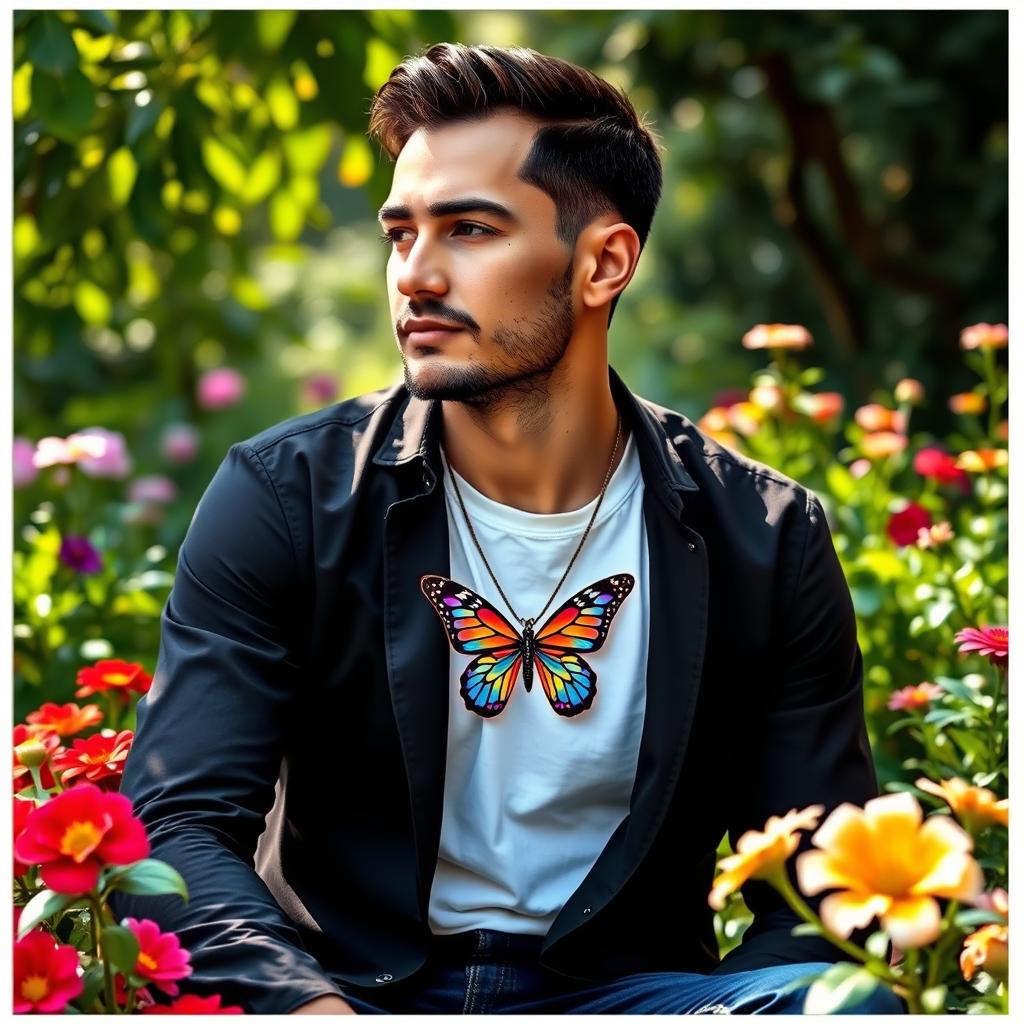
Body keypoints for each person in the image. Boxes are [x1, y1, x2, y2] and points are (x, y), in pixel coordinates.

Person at [112, 43, 904, 1015]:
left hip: (629, 996)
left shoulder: (763, 534)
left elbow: (818, 869)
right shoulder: (284, 496)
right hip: (348, 989)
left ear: (602, 262)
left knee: (846, 1003)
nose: (416, 275)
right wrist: (306, 1008)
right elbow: (178, 818)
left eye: (470, 230)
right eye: (400, 234)